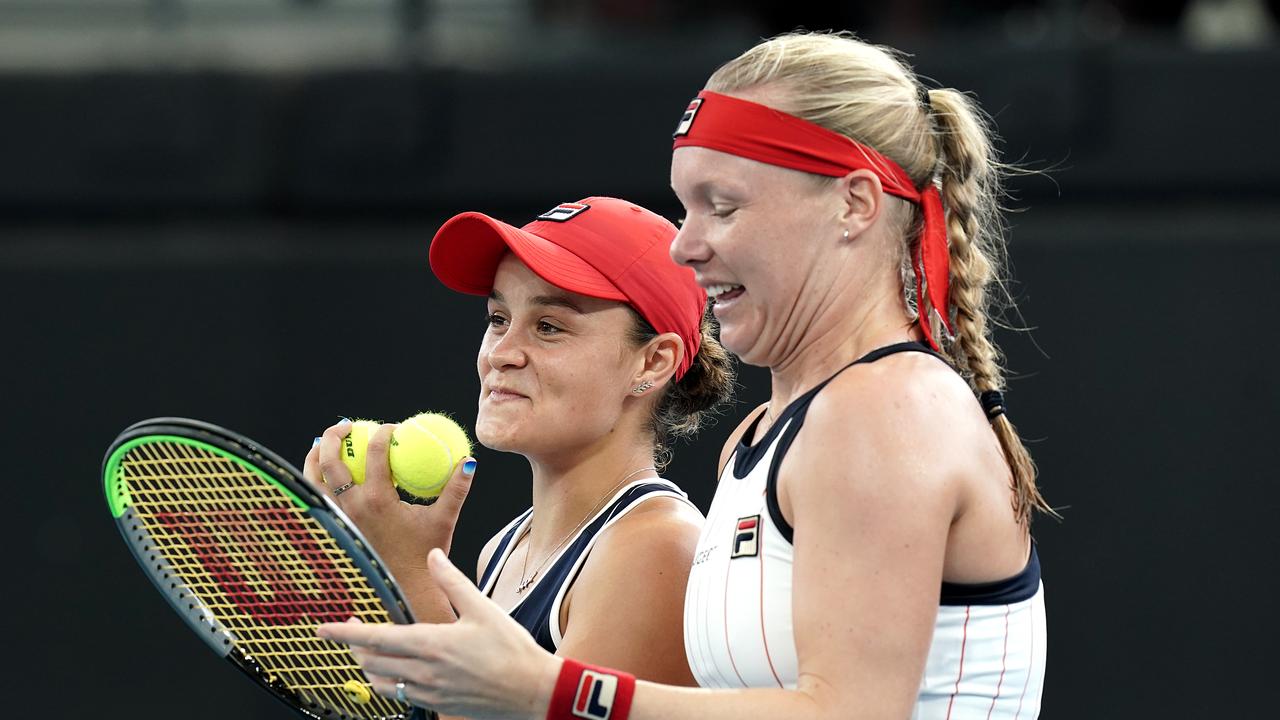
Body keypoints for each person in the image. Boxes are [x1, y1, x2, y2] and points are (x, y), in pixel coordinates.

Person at [318, 31, 1053, 720]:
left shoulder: (886, 411)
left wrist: (552, 690)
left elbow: (848, 712)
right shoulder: (763, 435)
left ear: (853, 204)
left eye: (722, 206)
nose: (684, 245)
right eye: (685, 205)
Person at [304, 196, 734, 687]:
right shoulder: (505, 551)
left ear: (652, 362)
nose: (501, 354)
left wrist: (408, 573)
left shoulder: (657, 550)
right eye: (497, 319)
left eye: (549, 327)